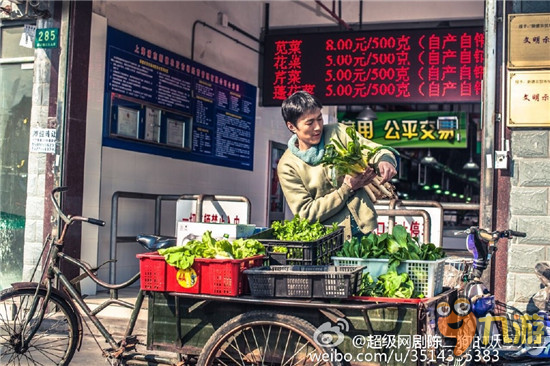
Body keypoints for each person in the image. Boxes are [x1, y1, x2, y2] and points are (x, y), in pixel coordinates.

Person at [277, 91, 397, 238]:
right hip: (327, 239)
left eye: (319, 119)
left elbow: (372, 150)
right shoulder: (287, 166)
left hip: (364, 229)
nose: (317, 127)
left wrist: (384, 160)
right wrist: (346, 189)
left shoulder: (338, 133)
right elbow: (306, 213)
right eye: (309, 123)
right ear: (292, 126)